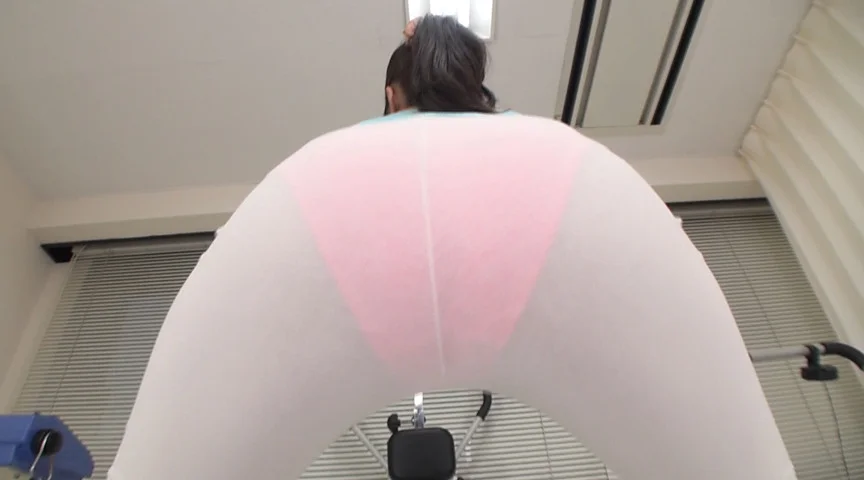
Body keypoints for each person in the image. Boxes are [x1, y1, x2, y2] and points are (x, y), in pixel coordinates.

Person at [107, 14, 797, 480]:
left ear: (391, 94)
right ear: (478, 89)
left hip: (306, 231)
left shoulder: (316, 161)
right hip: (583, 216)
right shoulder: (559, 147)